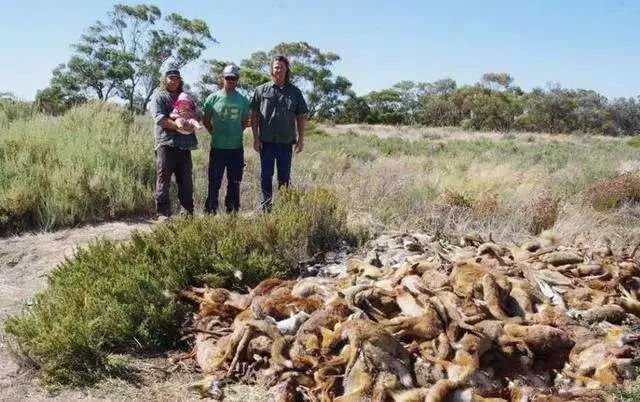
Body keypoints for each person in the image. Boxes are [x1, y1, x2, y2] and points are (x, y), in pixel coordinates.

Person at [250, 55, 309, 211]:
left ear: (286, 69)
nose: (279, 70)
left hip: (286, 143)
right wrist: (256, 138)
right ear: (272, 70)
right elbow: (254, 116)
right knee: (266, 176)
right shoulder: (261, 90)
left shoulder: (295, 92)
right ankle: (266, 208)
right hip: (266, 143)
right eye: (276, 67)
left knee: (284, 178)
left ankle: (284, 209)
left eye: (282, 67)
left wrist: (301, 140)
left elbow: (300, 117)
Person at [202, 64, 250, 214]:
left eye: (234, 78)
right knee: (214, 181)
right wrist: (214, 133)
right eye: (228, 78)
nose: (231, 80)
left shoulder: (243, 100)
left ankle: (232, 210)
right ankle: (210, 210)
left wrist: (235, 133)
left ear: (237, 80)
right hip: (217, 148)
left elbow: (244, 122)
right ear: (222, 78)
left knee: (234, 182)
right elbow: (206, 120)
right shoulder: (212, 98)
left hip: (236, 148)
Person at [150, 69, 198, 218]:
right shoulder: (159, 97)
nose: (174, 81)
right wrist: (178, 125)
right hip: (166, 143)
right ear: (165, 80)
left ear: (180, 80)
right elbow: (160, 119)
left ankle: (187, 214)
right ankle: (163, 214)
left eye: (176, 78)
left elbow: (197, 114)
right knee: (164, 179)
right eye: (171, 78)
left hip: (184, 145)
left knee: (186, 181)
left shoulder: (186, 97)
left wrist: (191, 122)